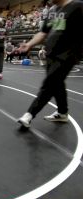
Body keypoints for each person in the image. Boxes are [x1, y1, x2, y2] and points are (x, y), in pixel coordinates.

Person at [17, 0, 83, 128]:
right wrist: (29, 44)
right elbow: (43, 33)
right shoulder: (52, 10)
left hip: (68, 55)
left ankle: (29, 114)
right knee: (57, 84)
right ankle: (62, 113)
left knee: (50, 83)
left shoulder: (78, 6)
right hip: (51, 53)